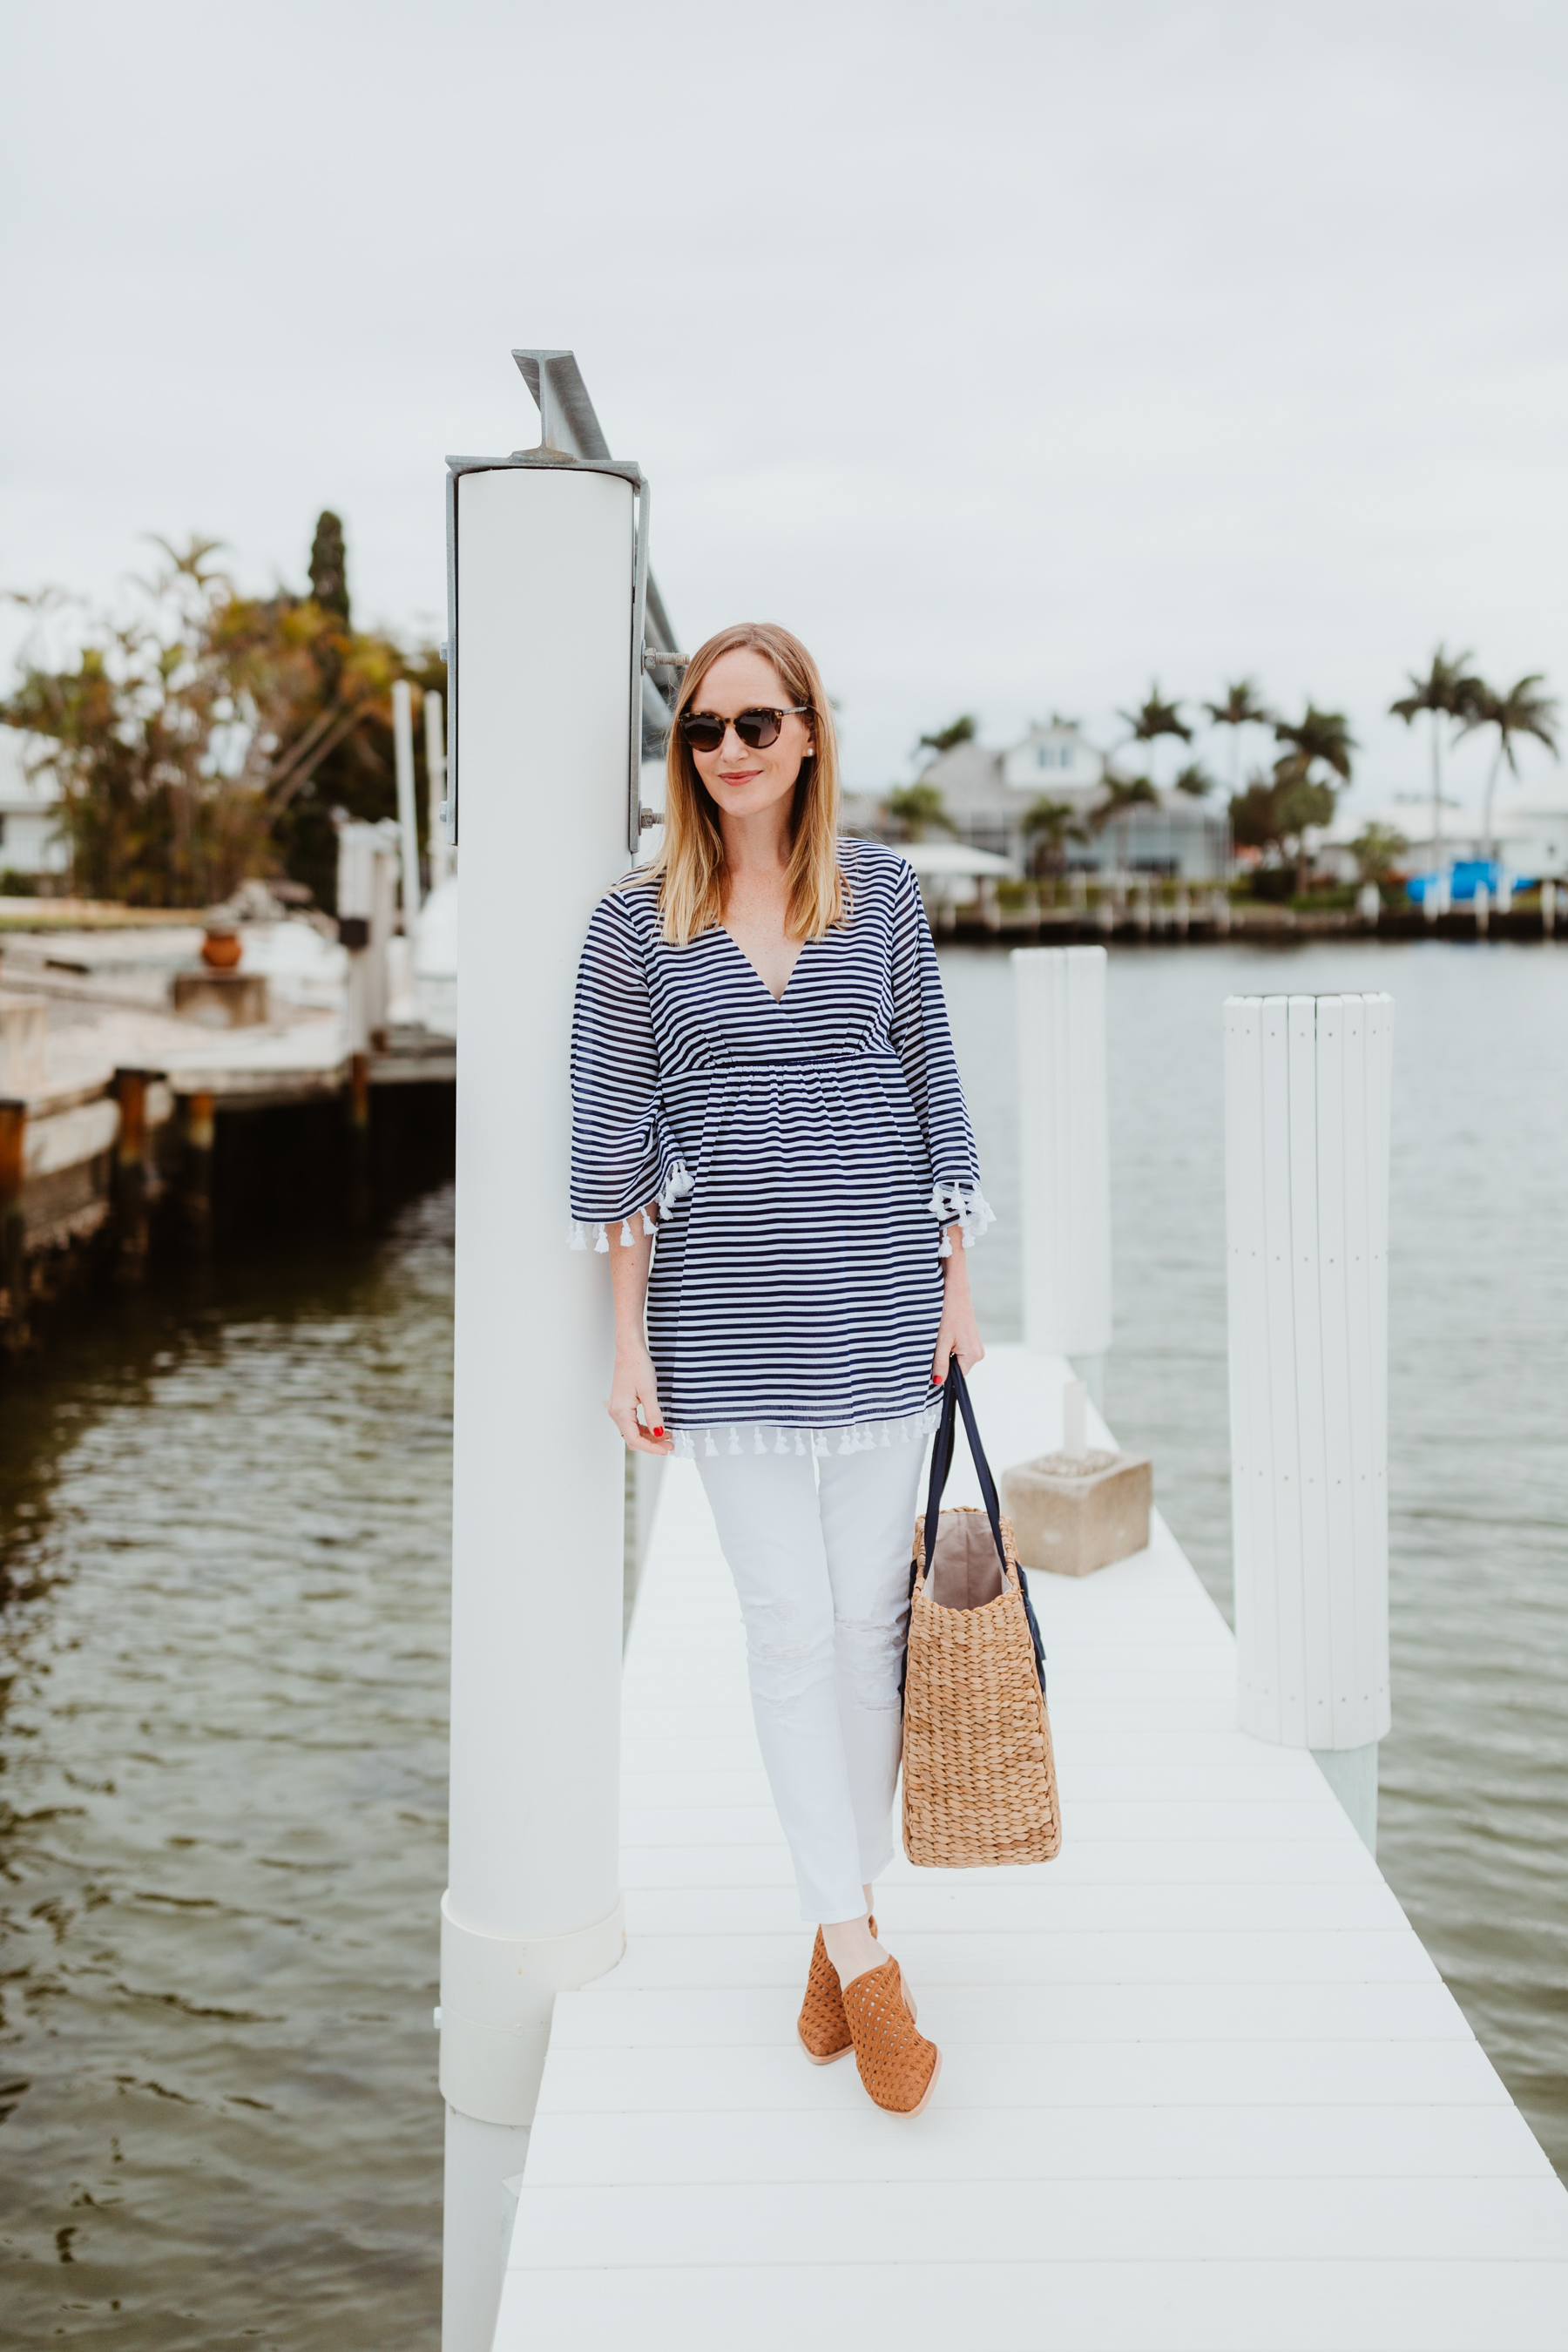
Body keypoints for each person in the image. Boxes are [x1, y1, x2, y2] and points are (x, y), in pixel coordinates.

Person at [569, 621, 990, 2118]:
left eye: (758, 724)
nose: (729, 751)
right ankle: (868, 1965)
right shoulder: (634, 928)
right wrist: (624, 1337)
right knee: (788, 1632)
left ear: (809, 734)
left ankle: (833, 1923)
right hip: (730, 1344)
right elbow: (613, 1152)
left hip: (883, 1319)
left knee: (872, 1630)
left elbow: (934, 1085)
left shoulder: (882, 894)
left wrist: (957, 1282)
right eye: (702, 730)